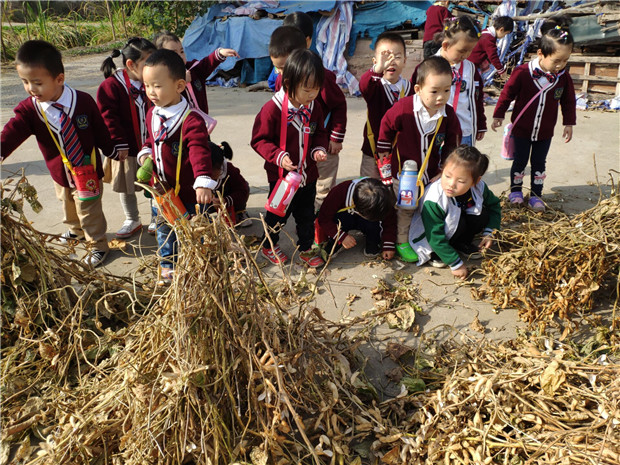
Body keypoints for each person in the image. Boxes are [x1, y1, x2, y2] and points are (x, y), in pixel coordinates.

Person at [1, 40, 122, 267]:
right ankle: (76, 230)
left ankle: (98, 244)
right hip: (60, 173)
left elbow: (100, 130)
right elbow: (12, 131)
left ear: (59, 79)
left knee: (89, 210)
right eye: (25, 82)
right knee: (67, 203)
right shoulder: (30, 109)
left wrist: (112, 150)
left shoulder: (83, 101)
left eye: (37, 83)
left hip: (87, 171)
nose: (30, 89)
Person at [137, 49, 215, 282]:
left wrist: (203, 180)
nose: (151, 92)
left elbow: (199, 150)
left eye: (157, 86)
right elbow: (151, 139)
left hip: (188, 193)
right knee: (164, 230)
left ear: (180, 86)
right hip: (162, 192)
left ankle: (199, 264)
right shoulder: (152, 113)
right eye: (146, 85)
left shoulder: (191, 120)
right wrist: (146, 152)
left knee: (194, 231)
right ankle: (168, 266)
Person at [377, 56, 461, 263]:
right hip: (403, 174)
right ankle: (401, 241)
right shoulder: (404, 108)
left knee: (428, 208)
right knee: (405, 209)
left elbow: (452, 142)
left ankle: (428, 241)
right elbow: (386, 125)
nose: (441, 97)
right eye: (434, 91)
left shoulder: (448, 114)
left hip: (430, 173)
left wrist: (445, 168)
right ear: (418, 89)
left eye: (447, 90)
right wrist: (383, 150)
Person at [251, 48, 329, 268]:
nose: (312, 95)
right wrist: (278, 156)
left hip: (307, 175)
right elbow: (259, 140)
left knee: (306, 215)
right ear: (288, 83)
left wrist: (318, 149)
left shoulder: (314, 107)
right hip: (281, 178)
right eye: (307, 90)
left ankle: (305, 248)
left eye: (316, 89)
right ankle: (269, 245)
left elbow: (320, 132)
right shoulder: (272, 109)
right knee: (277, 214)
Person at [492, 15, 576, 212]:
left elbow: (568, 101)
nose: (561, 65)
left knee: (539, 163)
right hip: (522, 129)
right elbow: (507, 93)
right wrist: (498, 114)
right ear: (540, 54)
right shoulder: (522, 72)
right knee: (520, 161)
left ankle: (536, 195)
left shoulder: (563, 78)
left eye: (565, 60)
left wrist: (569, 123)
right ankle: (515, 192)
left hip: (545, 131)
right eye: (556, 61)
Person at [271, 19, 347, 211]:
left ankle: (322, 220)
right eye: (278, 68)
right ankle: (299, 218)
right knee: (298, 187)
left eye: (283, 67)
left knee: (324, 187)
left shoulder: (322, 77)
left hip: (322, 144)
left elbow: (339, 105)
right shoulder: (282, 79)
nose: (280, 73)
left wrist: (335, 138)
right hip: (297, 148)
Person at [408, 145, 501, 280]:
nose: (451, 184)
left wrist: (490, 232)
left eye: (461, 181)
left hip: (457, 222)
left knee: (482, 214)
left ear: (475, 181)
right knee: (455, 223)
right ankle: (438, 253)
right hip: (431, 236)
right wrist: (455, 264)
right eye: (447, 176)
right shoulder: (434, 199)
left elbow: (494, 206)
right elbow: (434, 235)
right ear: (442, 170)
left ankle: (461, 243)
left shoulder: (479, 188)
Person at [97, 37, 156, 239]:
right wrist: (118, 142)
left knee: (155, 183)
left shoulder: (154, 82)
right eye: (148, 62)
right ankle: (132, 218)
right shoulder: (112, 86)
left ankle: (157, 216)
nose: (153, 67)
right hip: (127, 149)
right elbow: (108, 117)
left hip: (151, 147)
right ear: (131, 64)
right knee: (126, 186)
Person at [412, 15, 486, 147]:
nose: (466, 55)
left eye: (470, 51)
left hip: (464, 131)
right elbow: (412, 98)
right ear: (445, 45)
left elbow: (477, 98)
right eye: (462, 51)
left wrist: (480, 124)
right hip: (434, 131)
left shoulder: (470, 69)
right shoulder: (426, 68)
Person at [359, 31, 415, 181]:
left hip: (400, 153)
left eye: (397, 57)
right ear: (375, 62)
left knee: (396, 189)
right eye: (385, 57)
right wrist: (377, 70)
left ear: (405, 60)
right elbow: (363, 86)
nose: (391, 61)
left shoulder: (411, 89)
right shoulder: (374, 86)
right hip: (373, 151)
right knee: (369, 187)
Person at [154, 31, 240, 115]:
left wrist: (220, 53)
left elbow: (207, 63)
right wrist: (181, 81)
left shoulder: (194, 69)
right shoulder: (161, 80)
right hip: (180, 122)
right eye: (174, 53)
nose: (180, 56)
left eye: (182, 51)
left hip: (202, 119)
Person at [317, 177, 396, 261]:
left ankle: (373, 242)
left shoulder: (383, 198)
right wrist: (341, 236)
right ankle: (334, 243)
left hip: (365, 218)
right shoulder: (339, 192)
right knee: (341, 222)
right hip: (343, 218)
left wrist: (388, 245)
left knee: (373, 232)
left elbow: (390, 221)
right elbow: (324, 219)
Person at [207, 141, 251, 227]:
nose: (211, 179)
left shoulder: (230, 171)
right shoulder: (195, 173)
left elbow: (243, 191)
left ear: (220, 166)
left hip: (228, 198)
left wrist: (225, 200)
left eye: (213, 176)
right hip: (209, 202)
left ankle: (239, 212)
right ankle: (205, 217)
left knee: (245, 187)